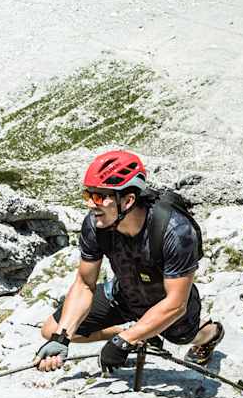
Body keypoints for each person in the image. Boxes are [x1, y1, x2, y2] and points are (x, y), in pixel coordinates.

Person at [34, 150, 224, 376]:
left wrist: (126, 340)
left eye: (99, 197)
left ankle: (211, 333)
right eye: (88, 195)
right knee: (50, 329)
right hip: (124, 294)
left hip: (168, 304)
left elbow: (176, 304)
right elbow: (85, 284)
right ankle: (139, 330)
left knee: (185, 337)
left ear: (128, 200)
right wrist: (61, 337)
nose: (91, 205)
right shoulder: (96, 225)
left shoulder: (175, 231)